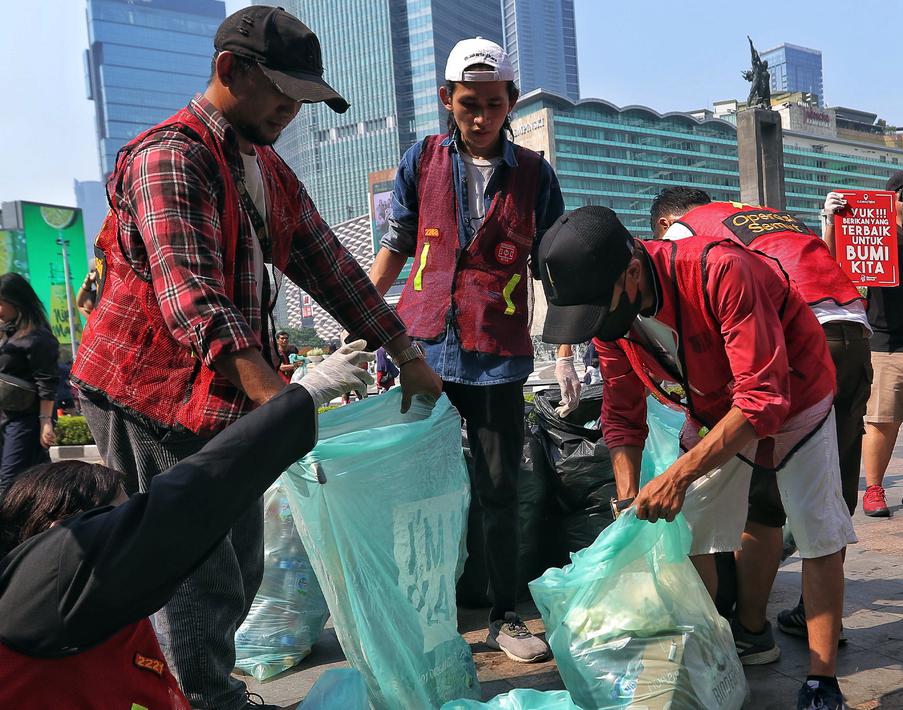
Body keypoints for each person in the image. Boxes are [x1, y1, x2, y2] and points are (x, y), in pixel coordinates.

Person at [71, 8, 441, 708]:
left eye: (301, 99)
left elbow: (328, 262)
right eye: (279, 93)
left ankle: (206, 688)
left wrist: (404, 349)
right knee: (190, 567)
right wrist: (285, 407)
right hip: (146, 391)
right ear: (227, 71)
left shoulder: (262, 166)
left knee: (239, 559)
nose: (289, 112)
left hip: (217, 394)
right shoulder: (168, 159)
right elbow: (194, 301)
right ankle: (199, 698)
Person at [540, 205, 855, 710]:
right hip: (718, 404)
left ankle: (822, 678)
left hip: (794, 391)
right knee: (691, 530)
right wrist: (626, 499)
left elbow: (764, 399)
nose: (596, 325)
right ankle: (708, 648)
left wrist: (680, 474)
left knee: (818, 529)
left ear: (633, 271)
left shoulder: (720, 270)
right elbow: (622, 416)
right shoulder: (611, 320)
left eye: (598, 308)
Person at [0, 344, 371, 709]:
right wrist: (303, 396)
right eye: (122, 517)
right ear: (60, 527)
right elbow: (188, 498)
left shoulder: (107, 610)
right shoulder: (49, 580)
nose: (139, 527)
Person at [367, 37, 563, 663]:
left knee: (500, 487)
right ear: (448, 100)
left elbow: (553, 265)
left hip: (497, 352)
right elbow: (397, 245)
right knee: (415, 488)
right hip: (421, 346)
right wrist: (363, 322)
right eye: (469, 104)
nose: (481, 117)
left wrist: (564, 346)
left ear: (510, 103)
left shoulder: (534, 174)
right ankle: (423, 618)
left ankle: (505, 616)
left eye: (494, 104)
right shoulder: (421, 160)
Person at [655, 190, 867, 660]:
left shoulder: (682, 240)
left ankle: (751, 630)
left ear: (666, 223)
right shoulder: (757, 216)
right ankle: (817, 617)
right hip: (853, 330)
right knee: (828, 499)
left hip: (793, 335)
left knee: (762, 506)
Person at [851, 171, 903, 517]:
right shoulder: (876, 238)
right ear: (895, 199)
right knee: (882, 421)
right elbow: (838, 261)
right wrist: (832, 221)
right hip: (885, 344)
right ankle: (873, 488)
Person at [0, 273, 59, 498]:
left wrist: (45, 422)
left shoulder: (37, 337)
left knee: (10, 479)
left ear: (16, 302)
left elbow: (47, 382)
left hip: (26, 418)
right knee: (36, 475)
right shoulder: (9, 334)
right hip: (6, 415)